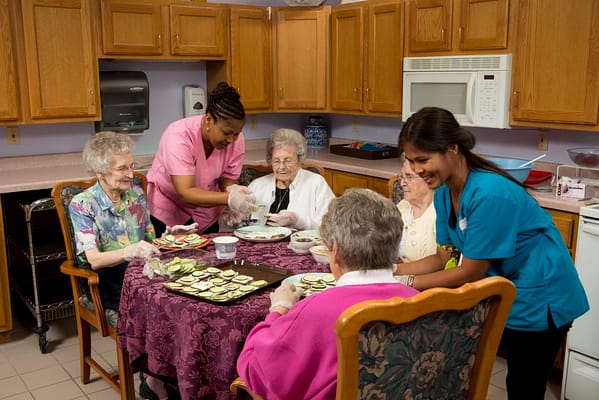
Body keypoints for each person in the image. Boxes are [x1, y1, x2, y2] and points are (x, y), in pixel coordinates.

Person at [395, 106, 589, 400]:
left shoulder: (489, 193)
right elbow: (442, 257)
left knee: (524, 386)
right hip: (506, 289)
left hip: (542, 296)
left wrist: (405, 286)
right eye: (410, 160)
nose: (417, 169)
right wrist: (392, 273)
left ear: (452, 148)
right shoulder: (446, 191)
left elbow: (471, 270)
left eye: (423, 159)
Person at [237, 188, 420, 399]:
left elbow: (256, 371)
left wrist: (279, 309)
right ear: (395, 249)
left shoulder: (315, 311)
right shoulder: (423, 302)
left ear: (335, 253)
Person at [69, 131, 177, 399]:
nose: (131, 173)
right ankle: (153, 380)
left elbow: (152, 241)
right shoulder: (83, 205)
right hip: (109, 281)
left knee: (184, 301)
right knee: (158, 310)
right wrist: (128, 251)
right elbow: (93, 259)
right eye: (122, 168)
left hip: (145, 274)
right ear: (100, 170)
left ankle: (170, 372)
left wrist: (175, 234)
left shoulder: (136, 195)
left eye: (132, 165)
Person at [147, 81, 257, 236]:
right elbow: (185, 193)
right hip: (169, 213)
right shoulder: (178, 136)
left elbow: (228, 177)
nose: (231, 140)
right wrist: (229, 198)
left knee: (210, 257)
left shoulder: (236, 140)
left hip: (207, 214)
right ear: (208, 120)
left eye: (236, 133)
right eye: (226, 133)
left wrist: (232, 190)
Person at [248, 128, 335, 230]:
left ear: (300, 160)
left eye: (288, 160)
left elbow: (330, 227)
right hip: (259, 243)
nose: (281, 167)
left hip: (300, 244)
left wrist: (298, 221)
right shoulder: (258, 185)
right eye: (276, 161)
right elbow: (239, 221)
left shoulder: (316, 183)